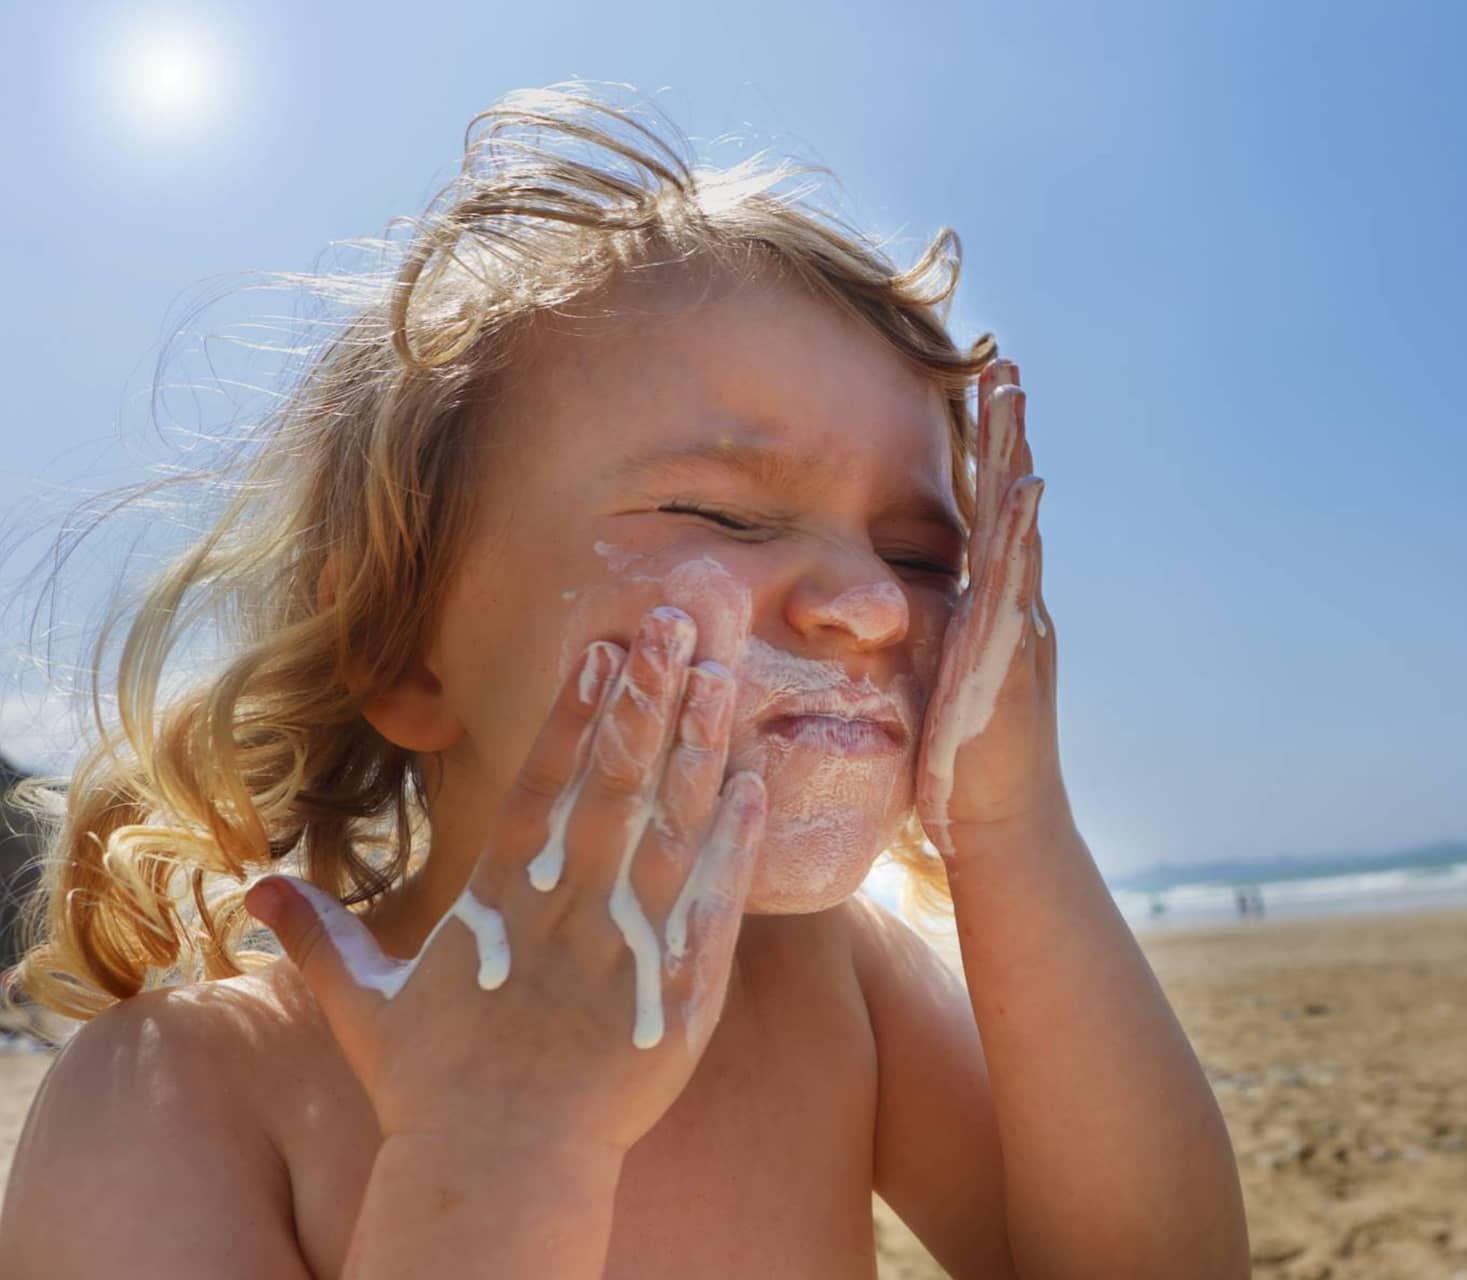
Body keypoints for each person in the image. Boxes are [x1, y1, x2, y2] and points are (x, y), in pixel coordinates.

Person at [0, 84, 1248, 1276]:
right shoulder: (174, 1092)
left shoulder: (823, 975)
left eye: (921, 555)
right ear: (399, 652)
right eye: (720, 512)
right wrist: (490, 1151)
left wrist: (1009, 828)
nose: (870, 605)